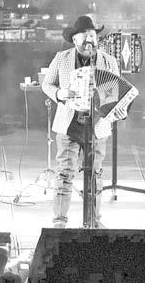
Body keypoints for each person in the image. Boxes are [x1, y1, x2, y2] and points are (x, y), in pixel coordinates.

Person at [41, 15, 126, 228]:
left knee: (95, 175)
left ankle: (93, 222)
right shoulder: (62, 58)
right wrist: (60, 94)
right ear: (75, 39)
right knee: (64, 173)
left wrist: (116, 106)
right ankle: (59, 223)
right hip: (70, 125)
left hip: (97, 126)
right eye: (85, 37)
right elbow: (47, 84)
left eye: (93, 36)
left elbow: (115, 93)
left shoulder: (109, 61)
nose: (90, 41)